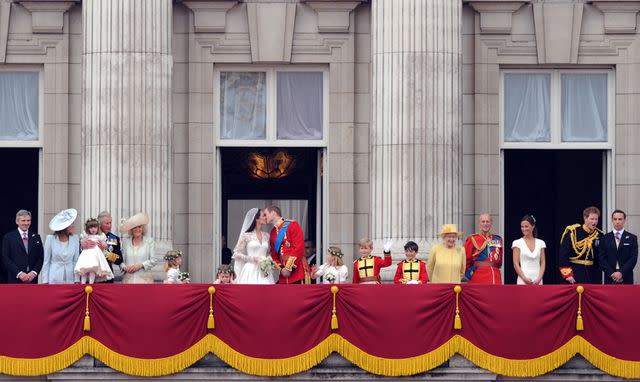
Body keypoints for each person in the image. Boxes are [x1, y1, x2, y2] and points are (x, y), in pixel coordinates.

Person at [265, 205, 311, 284]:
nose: (264, 217)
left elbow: (299, 248)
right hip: (283, 275)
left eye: (266, 214)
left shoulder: (292, 224)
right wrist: (282, 268)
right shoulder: (273, 232)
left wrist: (289, 268)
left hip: (297, 271)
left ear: (273, 213)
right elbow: (274, 256)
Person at [559, 206, 604, 284]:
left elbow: (600, 257)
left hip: (592, 275)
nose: (594, 222)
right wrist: (568, 275)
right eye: (592, 219)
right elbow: (563, 255)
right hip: (574, 274)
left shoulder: (599, 235)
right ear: (585, 218)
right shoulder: (573, 232)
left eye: (596, 219)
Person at [233, 208, 275, 284]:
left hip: (264, 270)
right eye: (263, 215)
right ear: (256, 219)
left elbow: (268, 253)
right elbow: (236, 253)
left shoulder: (267, 235)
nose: (266, 217)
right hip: (250, 270)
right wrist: (252, 258)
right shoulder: (246, 236)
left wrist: (269, 260)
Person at [1, 210, 44, 284]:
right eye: (23, 220)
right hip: (15, 279)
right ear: (17, 221)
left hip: (32, 279)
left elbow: (40, 257)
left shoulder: (36, 237)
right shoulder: (8, 237)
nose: (26, 223)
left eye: (28, 220)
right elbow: (5, 258)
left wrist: (34, 273)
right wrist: (19, 273)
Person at [598, 209, 638, 284]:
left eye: (620, 219)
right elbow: (602, 258)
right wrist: (612, 273)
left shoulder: (632, 238)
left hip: (626, 276)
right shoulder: (604, 238)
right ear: (612, 220)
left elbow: (633, 258)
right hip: (609, 276)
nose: (617, 221)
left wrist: (621, 273)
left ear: (624, 220)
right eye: (615, 219)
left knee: (626, 296)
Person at [42, 209, 80, 284]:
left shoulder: (75, 238)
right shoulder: (50, 239)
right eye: (71, 224)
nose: (73, 226)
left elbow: (76, 260)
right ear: (64, 227)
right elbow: (46, 261)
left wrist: (77, 279)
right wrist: (45, 281)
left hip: (70, 279)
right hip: (54, 279)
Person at [464, 213, 503, 284]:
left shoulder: (497, 239)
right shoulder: (472, 239)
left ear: (491, 223)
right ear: (479, 224)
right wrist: (470, 274)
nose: (485, 224)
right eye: (483, 221)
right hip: (478, 276)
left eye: (487, 221)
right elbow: (466, 260)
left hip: (495, 275)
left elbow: (499, 262)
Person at [120, 212, 158, 284]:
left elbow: (154, 260)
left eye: (139, 227)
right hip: (128, 279)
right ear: (131, 229)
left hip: (145, 280)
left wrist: (141, 265)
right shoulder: (125, 242)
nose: (137, 229)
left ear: (143, 228)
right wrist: (125, 267)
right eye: (135, 227)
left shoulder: (149, 241)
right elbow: (121, 261)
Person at [74, 218, 113, 284]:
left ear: (98, 227)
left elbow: (105, 245)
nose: (93, 229)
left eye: (95, 227)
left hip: (96, 256)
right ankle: (82, 284)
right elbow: (81, 243)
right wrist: (83, 244)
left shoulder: (101, 236)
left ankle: (91, 283)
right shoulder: (86, 235)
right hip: (86, 255)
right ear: (88, 228)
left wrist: (103, 246)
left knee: (93, 269)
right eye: (91, 227)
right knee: (84, 269)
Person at [512, 215, 546, 285]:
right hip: (523, 279)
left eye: (526, 226)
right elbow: (515, 264)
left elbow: (543, 262)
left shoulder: (541, 243)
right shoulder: (517, 243)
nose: (524, 229)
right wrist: (524, 278)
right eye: (522, 227)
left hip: (538, 279)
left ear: (533, 226)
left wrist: (539, 278)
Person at [97, 211, 123, 283]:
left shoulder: (114, 238)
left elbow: (119, 260)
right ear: (99, 224)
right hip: (93, 275)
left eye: (110, 223)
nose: (110, 226)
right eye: (107, 223)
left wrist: (105, 253)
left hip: (107, 276)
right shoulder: (91, 237)